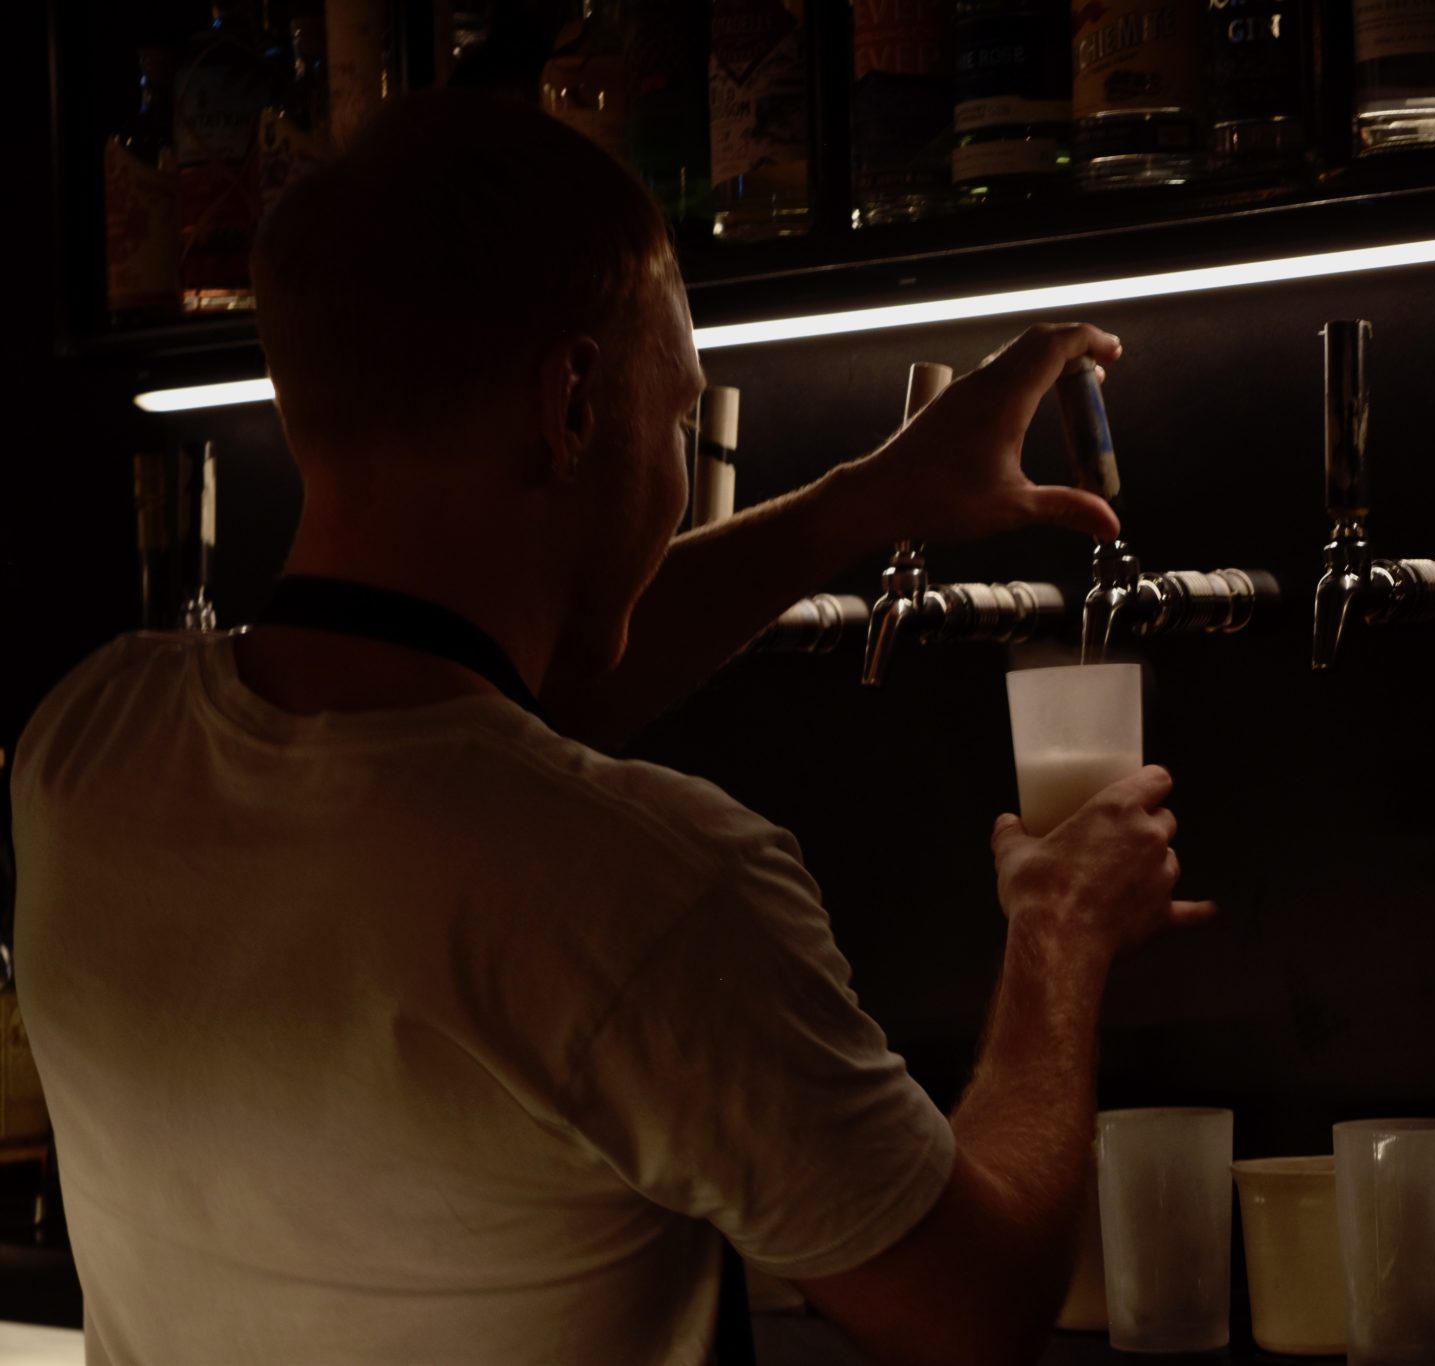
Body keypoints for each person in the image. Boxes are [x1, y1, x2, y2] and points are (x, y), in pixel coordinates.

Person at [9, 92, 1212, 1365]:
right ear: (571, 402)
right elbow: (969, 1306)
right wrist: (1060, 933)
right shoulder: (658, 889)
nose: (679, 454)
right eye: (682, 413)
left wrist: (863, 503)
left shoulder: (87, 742)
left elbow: (446, 743)